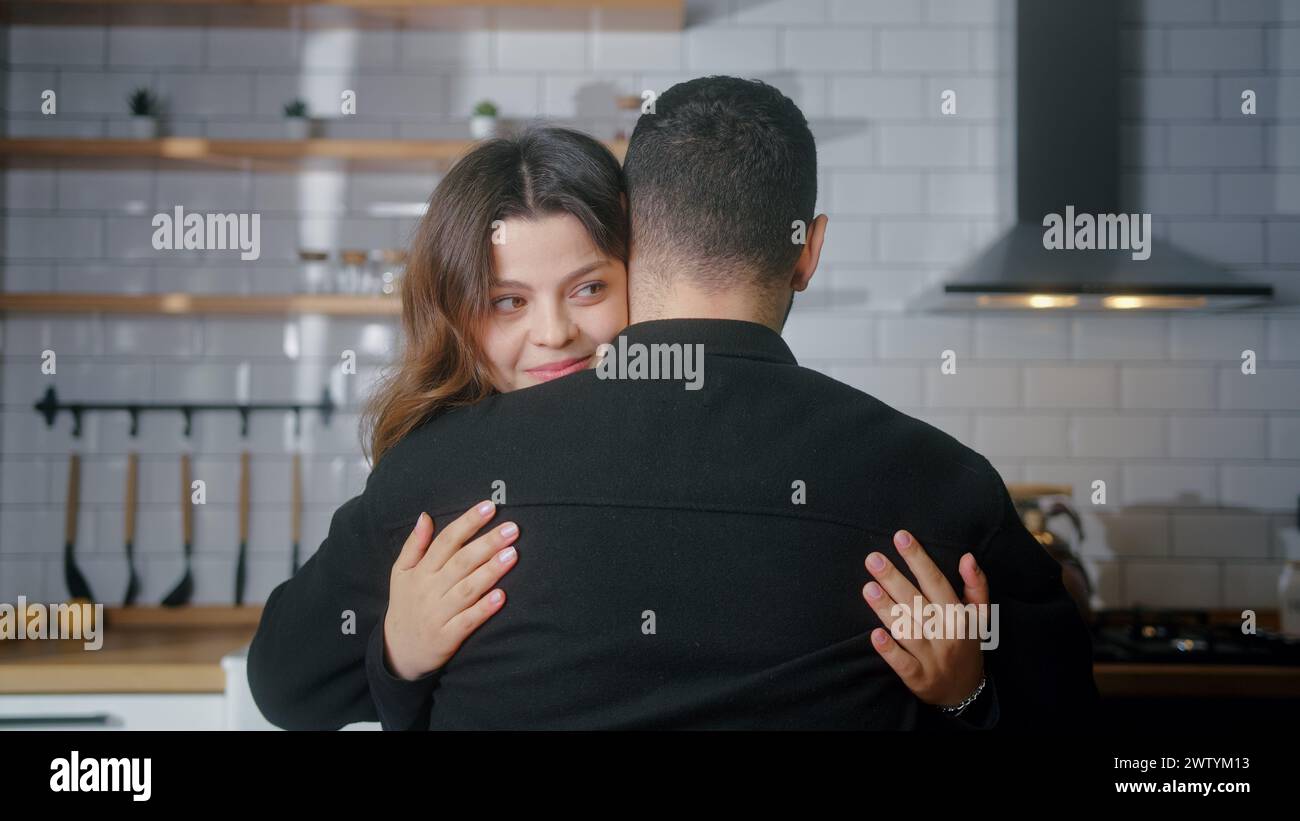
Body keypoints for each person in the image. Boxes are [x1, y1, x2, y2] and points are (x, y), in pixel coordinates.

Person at [248, 77, 1098, 730]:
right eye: (508, 301)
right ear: (809, 253)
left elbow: (285, 682)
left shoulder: (439, 482)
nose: (553, 334)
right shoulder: (940, 487)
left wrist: (397, 661)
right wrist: (968, 699)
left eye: (582, 288)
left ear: (635, 236)